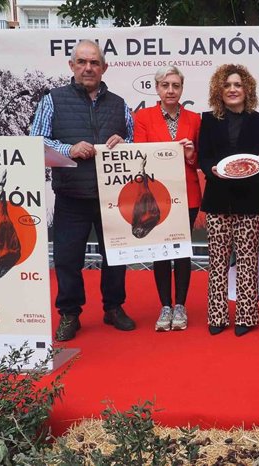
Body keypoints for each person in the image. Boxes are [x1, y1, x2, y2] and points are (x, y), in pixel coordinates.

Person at [30, 39, 135, 341]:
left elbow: (134, 139)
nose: (88, 67)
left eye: (94, 63)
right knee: (67, 258)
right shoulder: (53, 99)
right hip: (71, 196)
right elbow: (36, 141)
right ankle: (70, 313)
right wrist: (68, 148)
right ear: (72, 66)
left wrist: (126, 143)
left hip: (112, 197)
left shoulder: (119, 104)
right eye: (82, 62)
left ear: (104, 67)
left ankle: (113, 307)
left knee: (116, 256)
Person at [198, 64, 259, 337]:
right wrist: (212, 169)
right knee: (217, 261)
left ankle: (247, 315)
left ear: (247, 90)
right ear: (219, 90)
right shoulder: (207, 120)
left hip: (251, 200)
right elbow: (203, 158)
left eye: (238, 85)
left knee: (247, 260)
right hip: (217, 199)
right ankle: (217, 315)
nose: (233, 89)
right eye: (228, 85)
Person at [133, 66, 201, 331]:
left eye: (175, 85)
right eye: (165, 85)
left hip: (188, 194)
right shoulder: (143, 117)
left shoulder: (195, 119)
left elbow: (199, 160)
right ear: (157, 88)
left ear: (182, 89)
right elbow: (138, 155)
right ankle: (165, 306)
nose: (170, 90)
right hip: (155, 195)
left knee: (182, 250)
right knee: (160, 251)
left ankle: (181, 306)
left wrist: (191, 154)